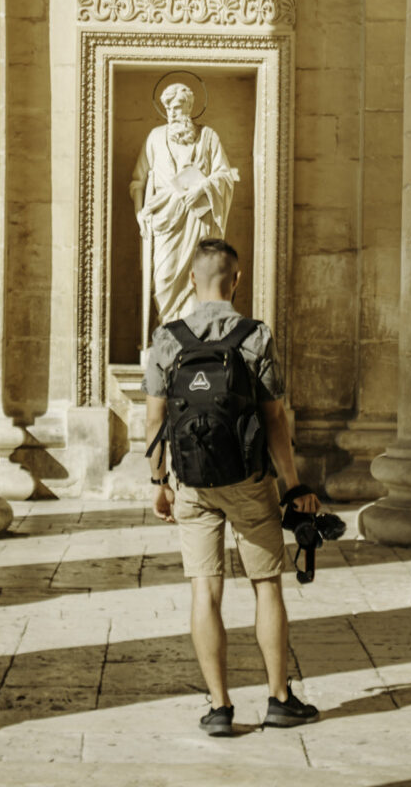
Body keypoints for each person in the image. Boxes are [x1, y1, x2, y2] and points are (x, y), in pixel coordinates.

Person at [143, 237, 321, 737]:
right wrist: (293, 484)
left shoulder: (167, 338)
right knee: (267, 586)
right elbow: (275, 419)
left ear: (191, 279)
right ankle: (279, 699)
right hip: (249, 480)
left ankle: (219, 706)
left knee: (205, 588)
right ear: (236, 280)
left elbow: (154, 418)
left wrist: (160, 481)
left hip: (193, 483)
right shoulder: (254, 335)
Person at [129, 81, 239, 337]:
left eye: (178, 107)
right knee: (163, 279)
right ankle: (168, 332)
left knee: (197, 275)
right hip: (164, 221)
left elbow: (225, 176)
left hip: (197, 219)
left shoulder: (208, 137)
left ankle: (193, 334)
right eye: (168, 108)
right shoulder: (155, 138)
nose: (173, 114)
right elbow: (138, 181)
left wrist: (202, 189)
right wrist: (138, 215)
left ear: (189, 107)